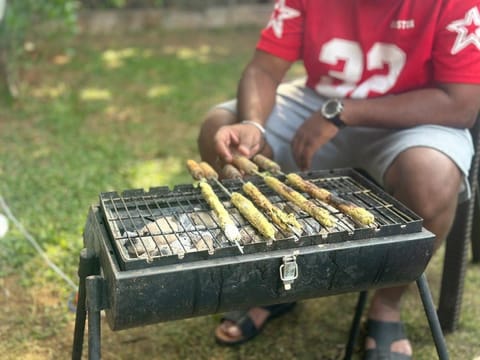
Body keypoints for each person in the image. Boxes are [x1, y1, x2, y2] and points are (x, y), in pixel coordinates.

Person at [197, 0, 480, 358]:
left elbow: (461, 104)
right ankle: (274, 279)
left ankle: (387, 305)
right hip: (319, 99)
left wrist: (345, 112)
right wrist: (253, 124)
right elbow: (264, 70)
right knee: (219, 131)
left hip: (415, 114)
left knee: (432, 178)